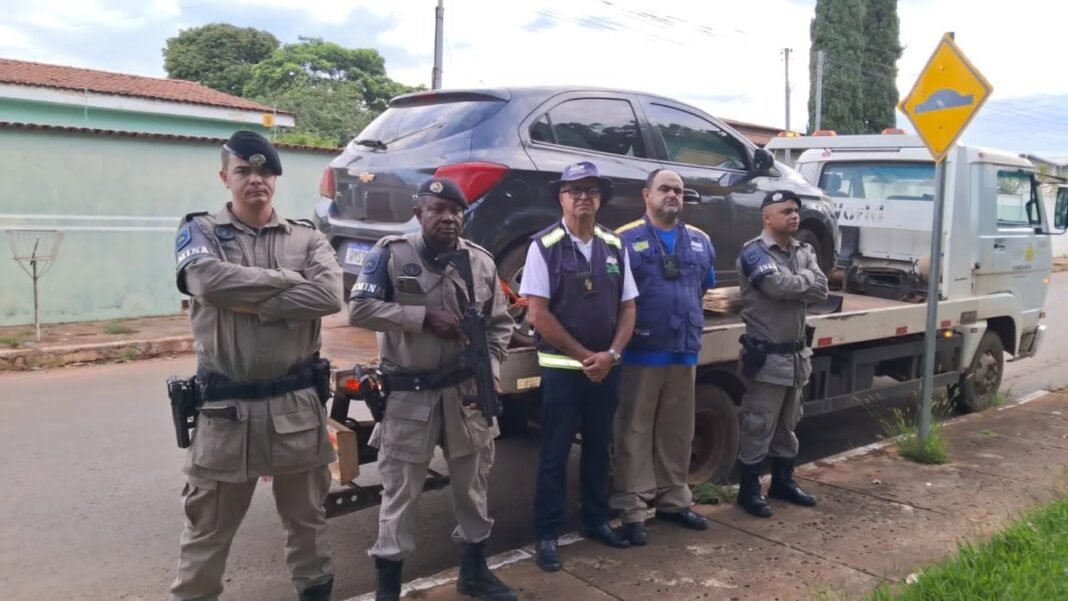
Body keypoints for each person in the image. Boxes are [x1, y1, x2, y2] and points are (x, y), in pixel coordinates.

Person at [170, 130, 343, 601]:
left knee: (308, 527)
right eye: (243, 171)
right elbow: (207, 282)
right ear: (224, 177)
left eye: (264, 171)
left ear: (275, 179)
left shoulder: (307, 237)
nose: (255, 180)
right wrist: (290, 283)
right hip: (226, 413)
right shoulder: (202, 232)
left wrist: (251, 302)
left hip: (296, 408)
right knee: (206, 533)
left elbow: (329, 296)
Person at [348, 177, 516, 601]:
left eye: (455, 211)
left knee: (473, 488)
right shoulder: (391, 254)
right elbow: (360, 309)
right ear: (418, 213)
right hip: (410, 395)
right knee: (400, 494)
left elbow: (500, 325)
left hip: (466, 395)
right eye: (437, 209)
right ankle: (388, 588)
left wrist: (491, 370)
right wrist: (422, 318)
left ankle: (474, 574)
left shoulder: (481, 262)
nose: (447, 218)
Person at [520, 161, 638, 572]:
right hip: (563, 371)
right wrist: (584, 356)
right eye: (575, 190)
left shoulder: (614, 245)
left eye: (591, 190)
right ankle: (547, 535)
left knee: (599, 449)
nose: (583, 196)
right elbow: (538, 314)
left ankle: (596, 520)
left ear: (601, 198)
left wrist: (612, 355)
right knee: (554, 453)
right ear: (561, 198)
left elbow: (628, 307)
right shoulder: (544, 245)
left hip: (607, 368)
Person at [611, 169, 716, 545]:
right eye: (665, 189)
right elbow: (615, 296)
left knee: (677, 430)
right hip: (641, 351)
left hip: (683, 350)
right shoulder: (624, 239)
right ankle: (633, 508)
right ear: (646, 195)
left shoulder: (701, 240)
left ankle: (674, 500)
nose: (673, 195)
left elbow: (704, 287)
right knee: (634, 431)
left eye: (678, 191)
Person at [734, 189, 829, 518]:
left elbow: (822, 289)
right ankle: (749, 491)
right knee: (758, 425)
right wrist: (805, 279)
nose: (794, 215)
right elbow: (776, 288)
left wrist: (797, 281)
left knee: (788, 426)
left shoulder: (804, 250)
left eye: (796, 210)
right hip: (767, 358)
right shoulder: (753, 252)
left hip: (797, 357)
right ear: (767, 217)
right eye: (786, 210)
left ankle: (783, 482)